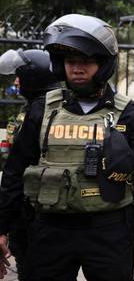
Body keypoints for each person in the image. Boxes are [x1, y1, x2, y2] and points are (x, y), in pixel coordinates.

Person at [0, 14, 134, 280]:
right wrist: (3, 226)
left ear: (103, 63)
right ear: (60, 64)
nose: (77, 68)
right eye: (71, 61)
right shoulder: (42, 110)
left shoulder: (130, 114)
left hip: (110, 231)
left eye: (86, 60)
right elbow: (15, 171)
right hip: (50, 230)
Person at [0, 48, 59, 280]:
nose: (16, 80)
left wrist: (3, 224)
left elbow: (15, 172)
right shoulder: (51, 107)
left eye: (20, 74)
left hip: (32, 212)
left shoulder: (39, 111)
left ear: (35, 78)